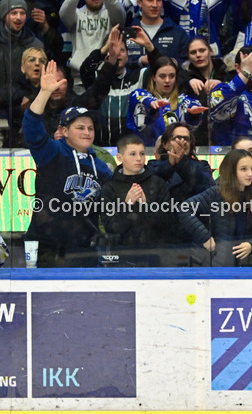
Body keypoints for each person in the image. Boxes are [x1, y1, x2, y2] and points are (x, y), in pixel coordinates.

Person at [22, 62, 112, 267]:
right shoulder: (52, 153)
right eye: (80, 127)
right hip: (48, 248)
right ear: (63, 131)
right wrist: (44, 93)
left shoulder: (102, 167)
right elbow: (31, 127)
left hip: (84, 251)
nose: (87, 132)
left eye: (90, 128)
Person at [179, 148, 252, 267]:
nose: (250, 174)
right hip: (218, 264)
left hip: (245, 265)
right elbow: (185, 209)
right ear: (231, 171)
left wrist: (251, 244)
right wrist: (204, 237)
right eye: (243, 169)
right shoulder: (216, 193)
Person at [99, 132, 172, 267]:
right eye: (133, 154)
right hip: (121, 260)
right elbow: (111, 228)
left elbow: (167, 224)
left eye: (142, 153)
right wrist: (127, 205)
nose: (139, 158)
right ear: (120, 157)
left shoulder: (158, 183)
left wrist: (146, 205)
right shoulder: (110, 187)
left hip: (155, 258)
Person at [128, 57, 207, 147]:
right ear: (153, 77)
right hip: (147, 152)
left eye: (171, 76)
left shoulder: (182, 99)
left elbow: (191, 108)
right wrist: (150, 104)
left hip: (177, 153)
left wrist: (194, 113)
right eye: (162, 76)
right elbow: (139, 97)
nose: (167, 80)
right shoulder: (141, 94)